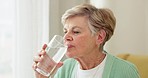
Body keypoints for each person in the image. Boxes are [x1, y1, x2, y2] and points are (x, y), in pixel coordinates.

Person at [33, 3, 140, 78]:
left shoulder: (124, 71)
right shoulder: (64, 69)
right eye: (65, 31)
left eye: (76, 32)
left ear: (99, 37)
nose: (66, 37)